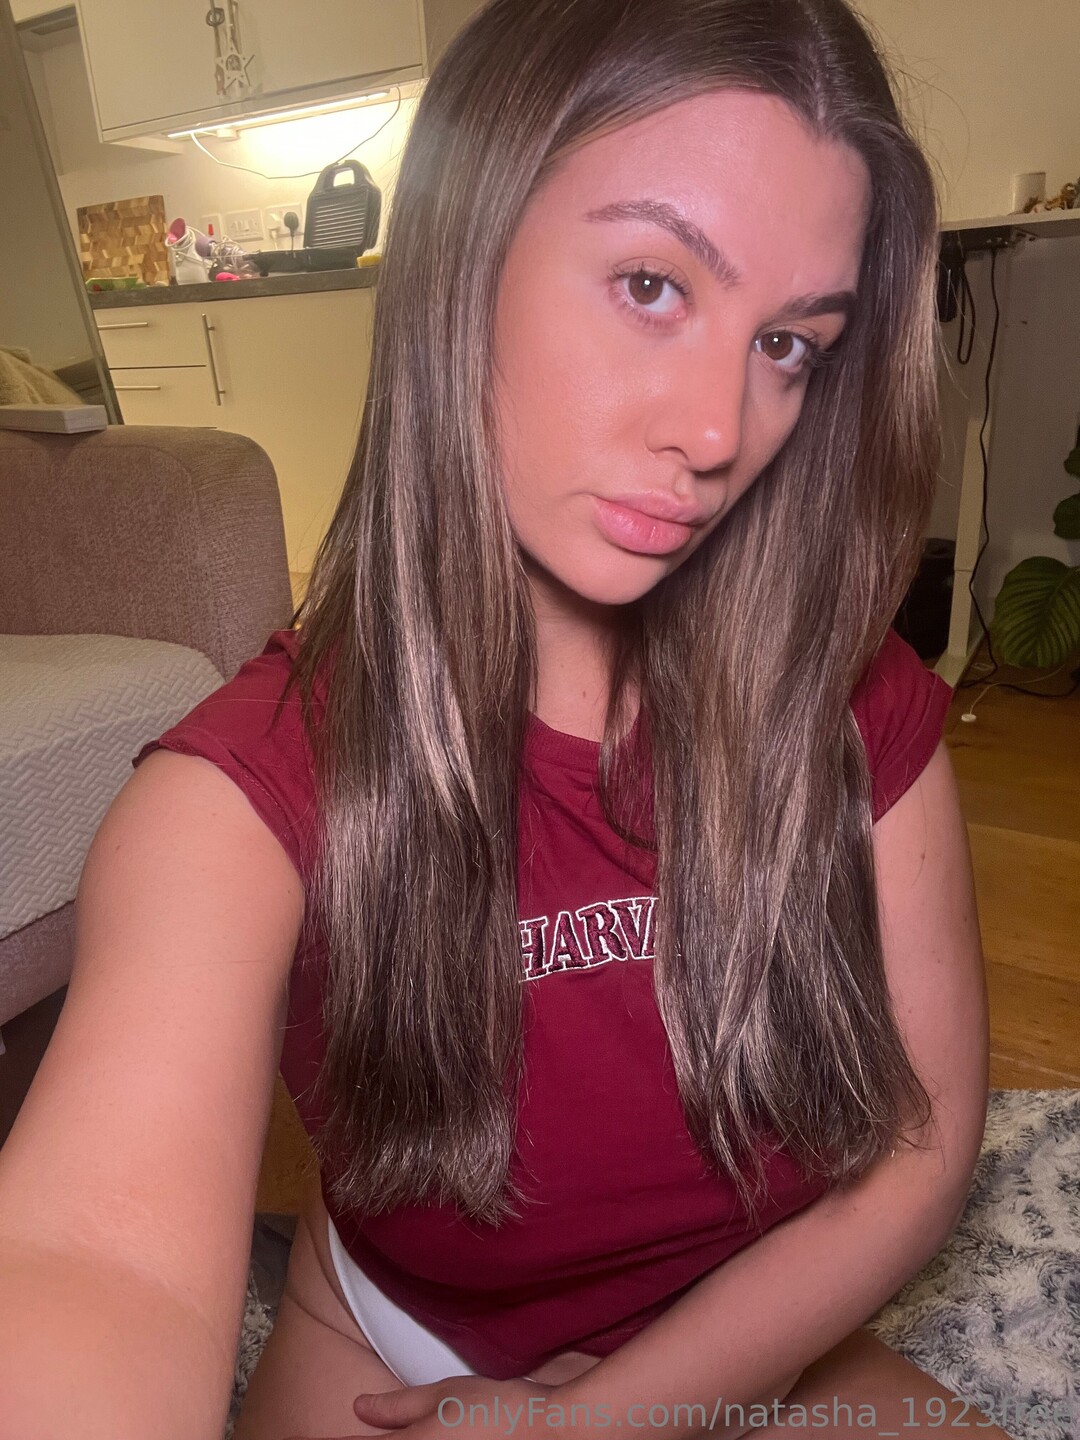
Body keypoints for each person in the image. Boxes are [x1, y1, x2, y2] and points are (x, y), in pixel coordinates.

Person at [0, 2, 1007, 1438]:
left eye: (788, 343)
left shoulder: (853, 703)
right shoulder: (241, 796)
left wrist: (597, 1420)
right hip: (403, 1355)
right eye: (652, 285)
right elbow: (92, 1264)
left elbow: (919, 1146)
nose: (718, 430)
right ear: (464, 254)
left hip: (756, 1334)